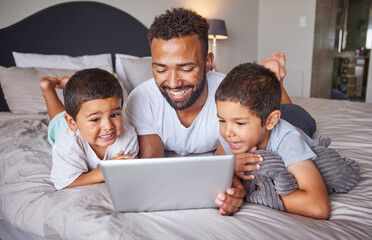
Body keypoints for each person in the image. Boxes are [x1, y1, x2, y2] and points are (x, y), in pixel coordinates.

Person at [125, 8, 316, 215]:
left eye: (186, 69)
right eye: (161, 69)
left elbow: (228, 159)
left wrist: (230, 177)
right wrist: (231, 186)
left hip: (287, 116)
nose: (173, 83)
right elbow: (153, 166)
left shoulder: (228, 96)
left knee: (293, 125)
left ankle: (276, 81)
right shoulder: (141, 99)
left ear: (208, 62)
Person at [215, 62, 330, 219]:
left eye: (240, 123)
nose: (227, 132)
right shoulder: (230, 133)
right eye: (221, 120)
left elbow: (318, 207)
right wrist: (231, 170)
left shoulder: (288, 139)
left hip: (298, 120)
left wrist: (255, 191)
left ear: (271, 121)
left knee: (291, 110)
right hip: (270, 117)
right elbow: (216, 172)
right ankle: (277, 80)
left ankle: (279, 81)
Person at [40, 68, 138, 190]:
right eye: (95, 119)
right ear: (72, 122)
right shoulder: (67, 145)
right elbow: (65, 183)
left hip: (81, 119)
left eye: (114, 115)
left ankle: (74, 89)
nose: (108, 126)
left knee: (77, 108)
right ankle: (48, 89)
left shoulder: (128, 136)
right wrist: (103, 172)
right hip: (65, 129)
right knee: (57, 119)